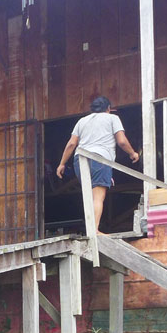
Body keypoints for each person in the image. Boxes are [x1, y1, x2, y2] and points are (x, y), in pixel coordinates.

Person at [56, 95, 140, 234]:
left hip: (80, 159)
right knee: (98, 197)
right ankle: (93, 230)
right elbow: (122, 141)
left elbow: (71, 143)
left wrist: (62, 164)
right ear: (108, 108)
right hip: (100, 158)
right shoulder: (112, 118)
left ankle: (90, 228)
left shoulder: (81, 121)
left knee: (89, 196)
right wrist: (132, 153)